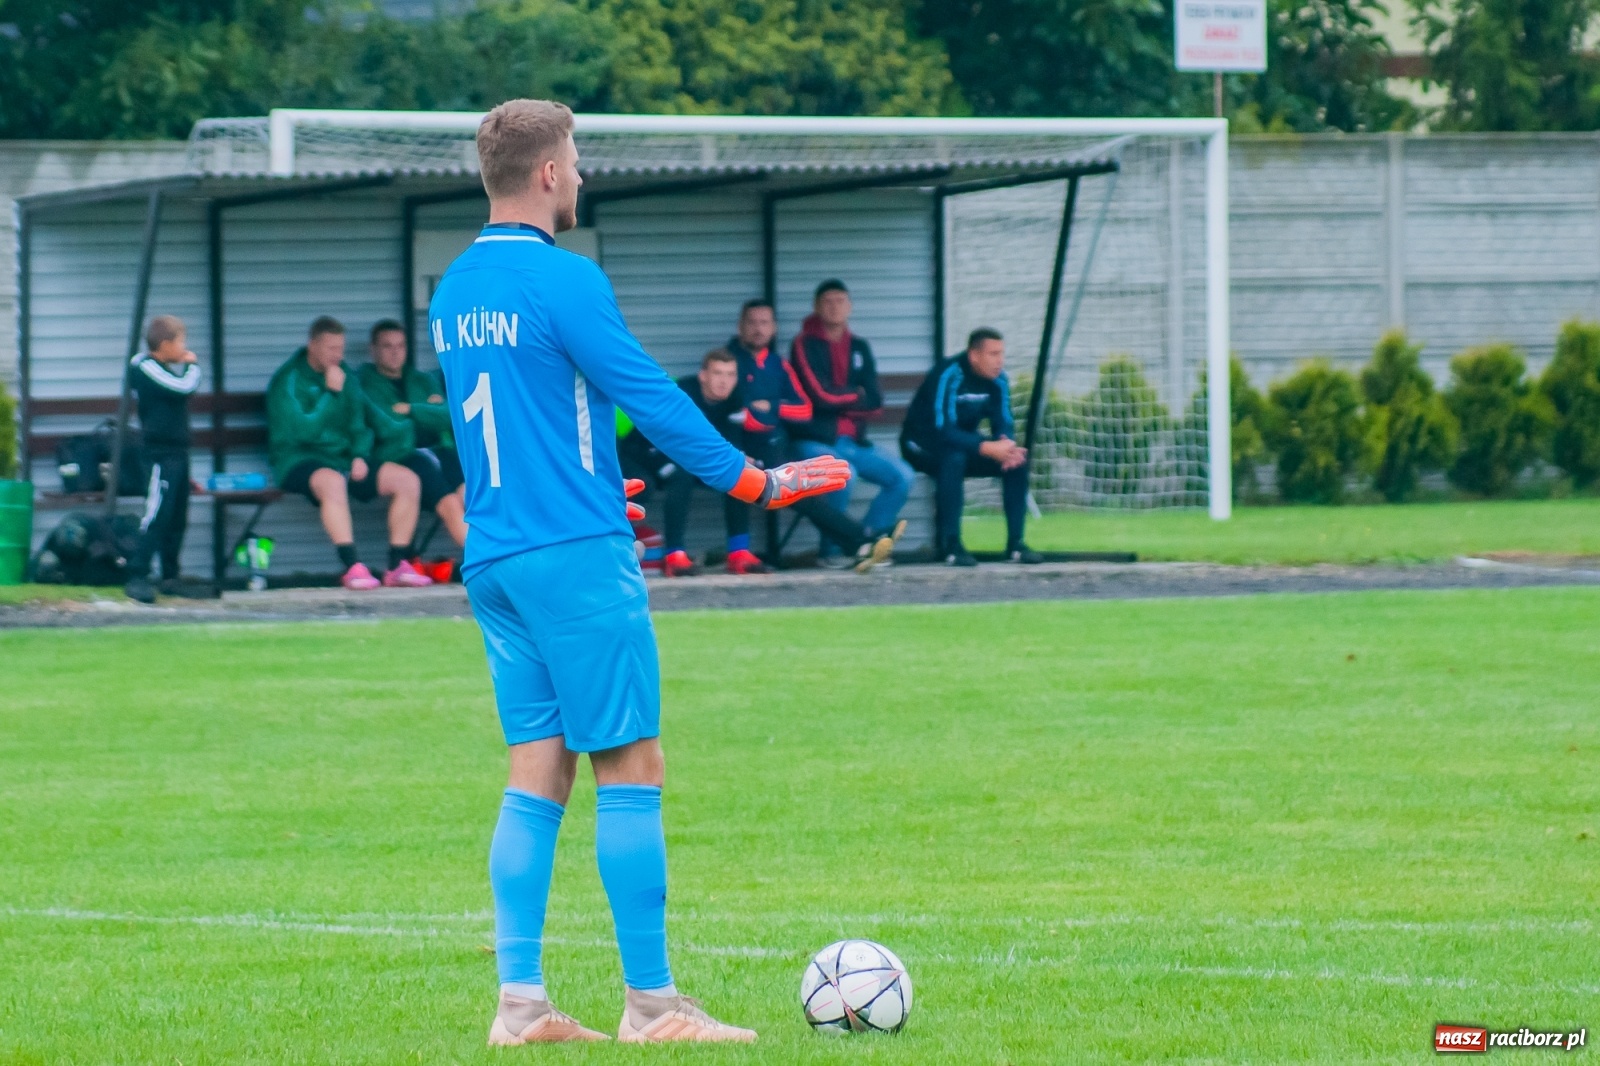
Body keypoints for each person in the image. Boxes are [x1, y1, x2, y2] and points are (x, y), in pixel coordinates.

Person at [427, 97, 852, 1046]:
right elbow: (653, 400)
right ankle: (654, 1007)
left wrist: (580, 486)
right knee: (632, 763)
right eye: (573, 161)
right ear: (545, 174)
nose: (580, 175)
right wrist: (759, 479)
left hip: (497, 558)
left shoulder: (452, 289)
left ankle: (521, 1005)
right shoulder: (567, 279)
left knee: (537, 770)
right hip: (574, 559)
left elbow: (510, 417)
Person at [727, 298, 906, 570]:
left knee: (804, 493)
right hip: (737, 450)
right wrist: (759, 414)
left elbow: (803, 410)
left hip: (776, 450)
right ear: (740, 327)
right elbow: (733, 411)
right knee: (793, 488)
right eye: (751, 322)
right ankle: (861, 542)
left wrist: (771, 407)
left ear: (774, 328)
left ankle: (861, 544)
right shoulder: (728, 362)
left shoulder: (778, 365)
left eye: (764, 323)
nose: (758, 329)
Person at [266, 316, 433, 590]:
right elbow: (302, 432)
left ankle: (397, 566)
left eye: (341, 348)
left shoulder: (345, 373)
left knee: (408, 480)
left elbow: (360, 424)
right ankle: (352, 566)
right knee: (332, 481)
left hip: (343, 459)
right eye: (331, 349)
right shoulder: (289, 379)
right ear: (312, 345)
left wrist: (360, 455)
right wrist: (330, 394)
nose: (338, 355)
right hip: (298, 459)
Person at [786, 279, 913, 566]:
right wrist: (856, 396)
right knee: (845, 475)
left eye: (841, 301)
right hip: (813, 440)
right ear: (817, 307)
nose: (835, 307)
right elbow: (819, 396)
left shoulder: (859, 346)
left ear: (850, 306)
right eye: (828, 302)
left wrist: (844, 401)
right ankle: (831, 552)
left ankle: (868, 540)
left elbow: (876, 401)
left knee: (902, 476)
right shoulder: (803, 344)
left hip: (854, 441)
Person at [622, 349, 771, 577]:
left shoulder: (735, 398)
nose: (724, 381)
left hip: (692, 457)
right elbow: (666, 436)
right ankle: (674, 556)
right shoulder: (684, 392)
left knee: (738, 473)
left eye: (730, 375)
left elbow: (730, 440)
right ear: (703, 375)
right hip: (646, 452)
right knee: (680, 475)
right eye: (718, 373)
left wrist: (742, 459)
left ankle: (738, 553)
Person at [901, 327, 1043, 566]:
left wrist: (1005, 447)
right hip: (921, 446)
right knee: (953, 459)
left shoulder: (998, 380)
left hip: (963, 446)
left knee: (1017, 462)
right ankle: (952, 545)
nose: (1000, 361)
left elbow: (1003, 421)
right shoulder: (949, 374)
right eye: (993, 354)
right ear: (974, 355)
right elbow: (942, 429)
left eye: (1002, 354)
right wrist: (985, 447)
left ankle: (1016, 545)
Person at [357, 319, 468, 549]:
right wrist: (429, 411)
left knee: (469, 496)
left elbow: (448, 415)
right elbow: (386, 425)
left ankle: (500, 558)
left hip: (439, 450)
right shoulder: (364, 383)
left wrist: (411, 409)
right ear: (373, 349)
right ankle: (482, 563)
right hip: (401, 455)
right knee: (449, 503)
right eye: (388, 346)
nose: (395, 353)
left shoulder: (421, 379)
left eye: (401, 346)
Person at [123, 314, 200, 604]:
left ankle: (170, 575)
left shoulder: (163, 368)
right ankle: (138, 573)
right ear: (165, 344)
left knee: (178, 517)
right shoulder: (145, 367)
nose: (184, 347)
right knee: (157, 514)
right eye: (180, 341)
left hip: (179, 453)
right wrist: (192, 364)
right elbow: (183, 388)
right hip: (160, 454)